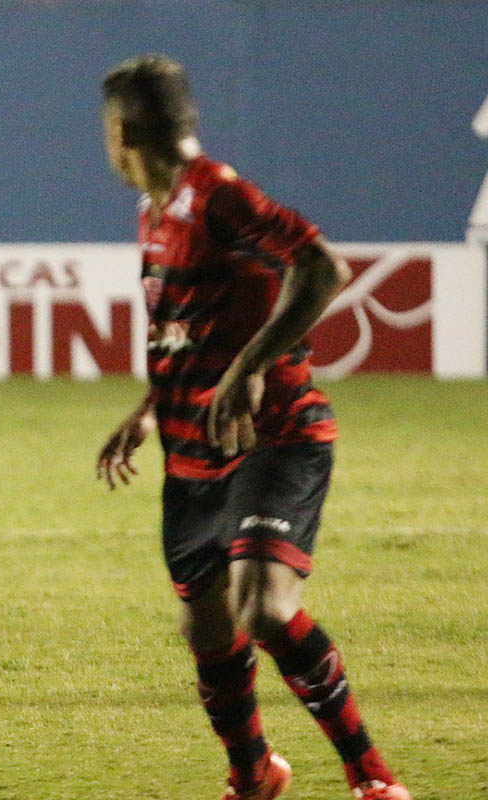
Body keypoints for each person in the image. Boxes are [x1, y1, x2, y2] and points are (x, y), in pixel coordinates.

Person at [95, 55, 411, 800]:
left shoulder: (218, 197)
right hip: (189, 448)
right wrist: (147, 407)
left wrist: (248, 369)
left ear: (123, 129)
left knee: (264, 606)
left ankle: (372, 779)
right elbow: (189, 324)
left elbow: (321, 268)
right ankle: (254, 776)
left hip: (273, 436)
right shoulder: (156, 209)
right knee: (206, 627)